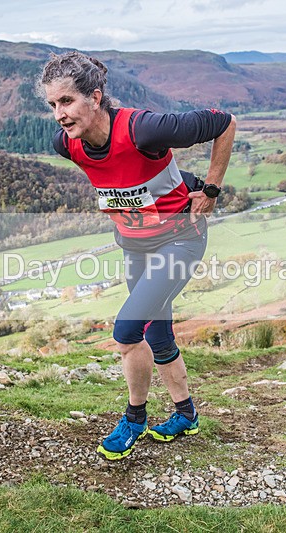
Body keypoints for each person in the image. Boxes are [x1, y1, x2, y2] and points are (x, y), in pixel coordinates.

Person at [41, 51, 236, 460]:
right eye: (53, 105)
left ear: (95, 97)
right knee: (156, 333)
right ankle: (186, 415)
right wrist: (180, 184)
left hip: (180, 240)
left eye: (66, 101)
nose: (59, 114)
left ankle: (134, 418)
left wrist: (212, 189)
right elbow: (130, 180)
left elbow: (225, 122)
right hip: (135, 245)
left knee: (127, 331)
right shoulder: (67, 144)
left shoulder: (144, 129)